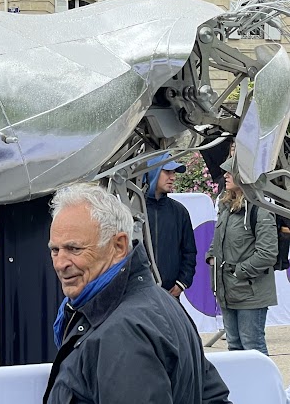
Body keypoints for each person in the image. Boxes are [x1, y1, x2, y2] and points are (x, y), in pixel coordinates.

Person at [45, 184, 229, 404]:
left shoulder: (120, 332)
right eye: (55, 250)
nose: (60, 263)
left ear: (119, 246)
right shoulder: (161, 302)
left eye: (74, 249)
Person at [206, 157, 278, 355]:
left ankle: (264, 387)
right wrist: (211, 257)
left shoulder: (260, 210)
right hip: (227, 291)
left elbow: (268, 253)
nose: (225, 175)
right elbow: (217, 239)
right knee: (235, 347)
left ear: (244, 176)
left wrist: (238, 272)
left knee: (252, 347)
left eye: (230, 172)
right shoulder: (225, 207)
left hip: (249, 293)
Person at [143, 153, 197, 296]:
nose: (172, 177)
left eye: (174, 172)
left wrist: (181, 283)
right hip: (137, 296)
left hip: (170, 296)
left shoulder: (179, 211)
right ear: (152, 171)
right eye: (167, 171)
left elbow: (189, 252)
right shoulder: (132, 210)